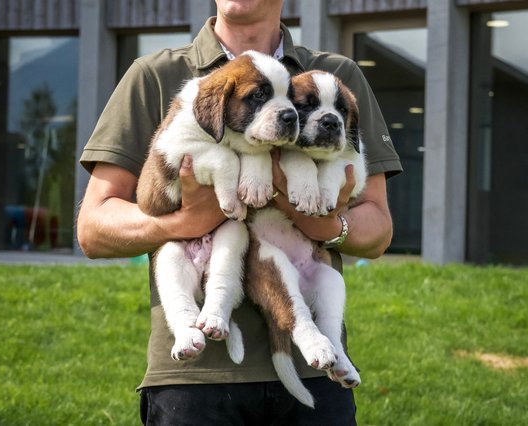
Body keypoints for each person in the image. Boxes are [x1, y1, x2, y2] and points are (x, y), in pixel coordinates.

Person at [77, 0, 402, 424]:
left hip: (317, 366)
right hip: (195, 374)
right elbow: (93, 228)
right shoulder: (154, 75)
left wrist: (321, 223)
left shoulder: (333, 77)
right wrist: (184, 222)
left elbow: (377, 229)